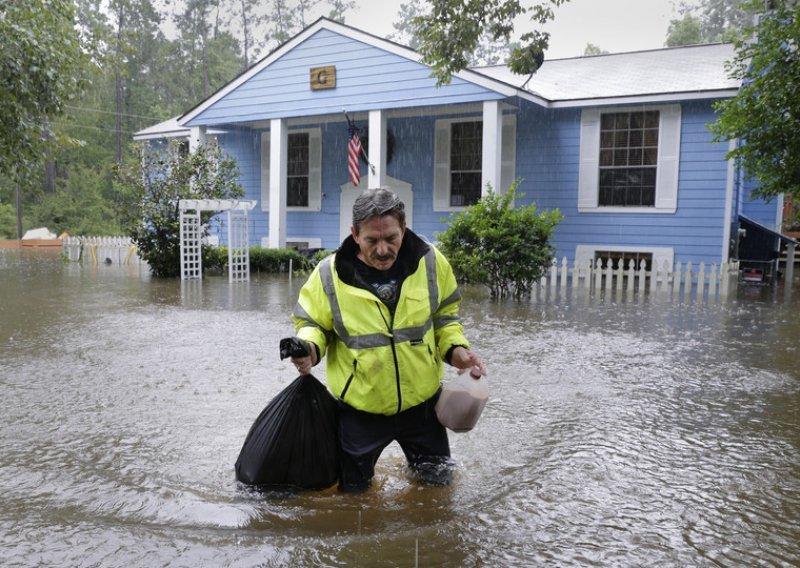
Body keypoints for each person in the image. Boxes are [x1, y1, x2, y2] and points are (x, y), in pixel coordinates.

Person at [289, 187, 486, 492]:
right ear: (355, 234)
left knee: (437, 490)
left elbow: (445, 318)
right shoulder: (328, 275)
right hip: (359, 411)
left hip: (423, 407)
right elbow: (313, 324)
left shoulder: (431, 263)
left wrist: (457, 351)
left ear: (403, 229)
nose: (383, 250)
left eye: (391, 238)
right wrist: (308, 350)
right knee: (354, 497)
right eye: (372, 240)